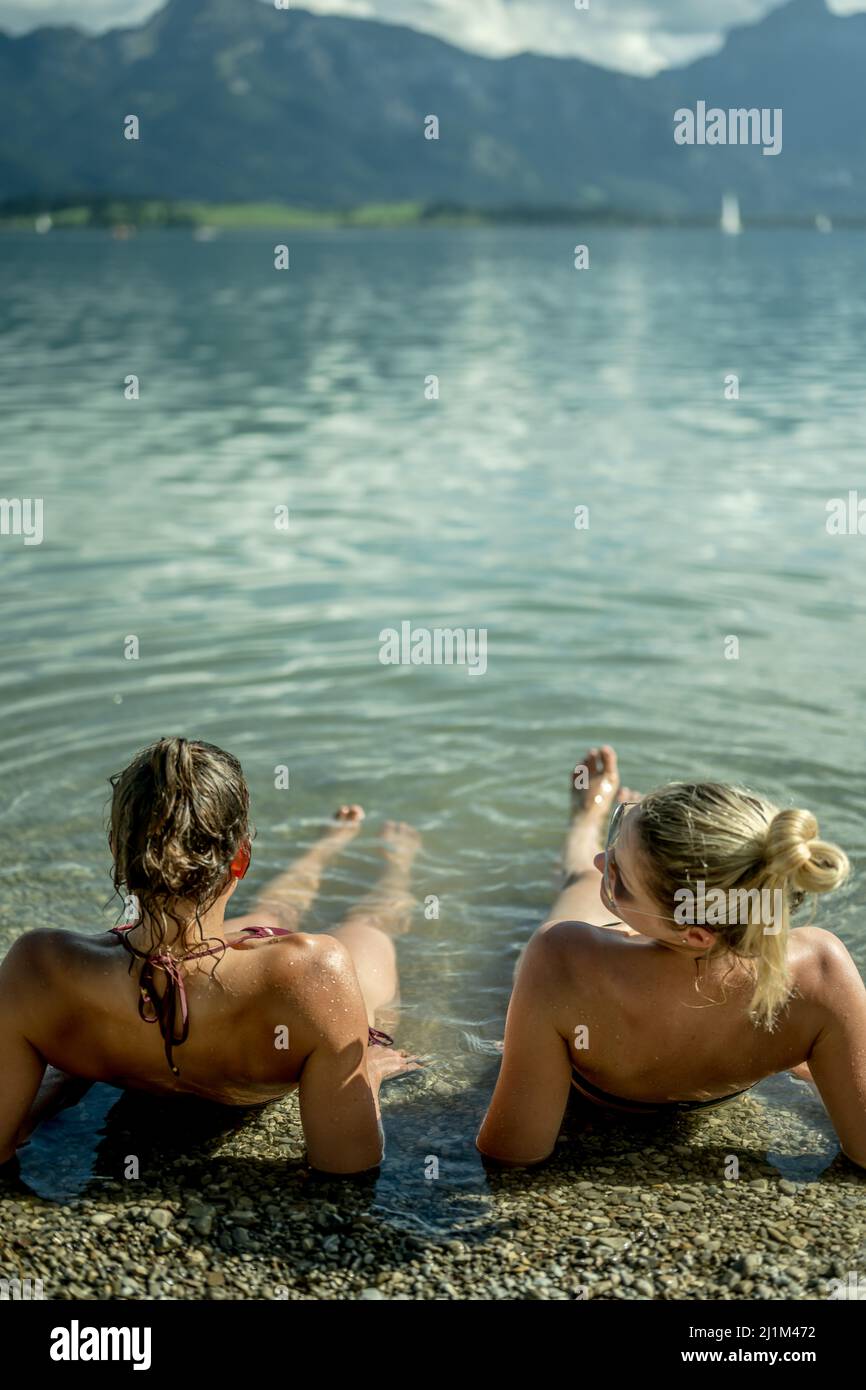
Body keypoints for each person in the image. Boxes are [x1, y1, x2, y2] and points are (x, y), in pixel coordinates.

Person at [0, 737, 420, 1174]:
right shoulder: (316, 972)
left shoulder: (39, 968)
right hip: (267, 978)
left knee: (270, 912)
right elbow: (347, 1164)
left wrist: (61, 1079)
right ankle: (395, 863)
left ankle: (328, 845)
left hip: (159, 954)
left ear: (117, 852)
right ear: (241, 858)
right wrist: (365, 1073)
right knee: (368, 925)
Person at [477, 745, 866, 1169]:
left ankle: (586, 819)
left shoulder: (565, 958)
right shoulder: (822, 969)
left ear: (695, 933)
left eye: (617, 874)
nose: (601, 859)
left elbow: (512, 1153)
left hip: (585, 1038)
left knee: (581, 877)